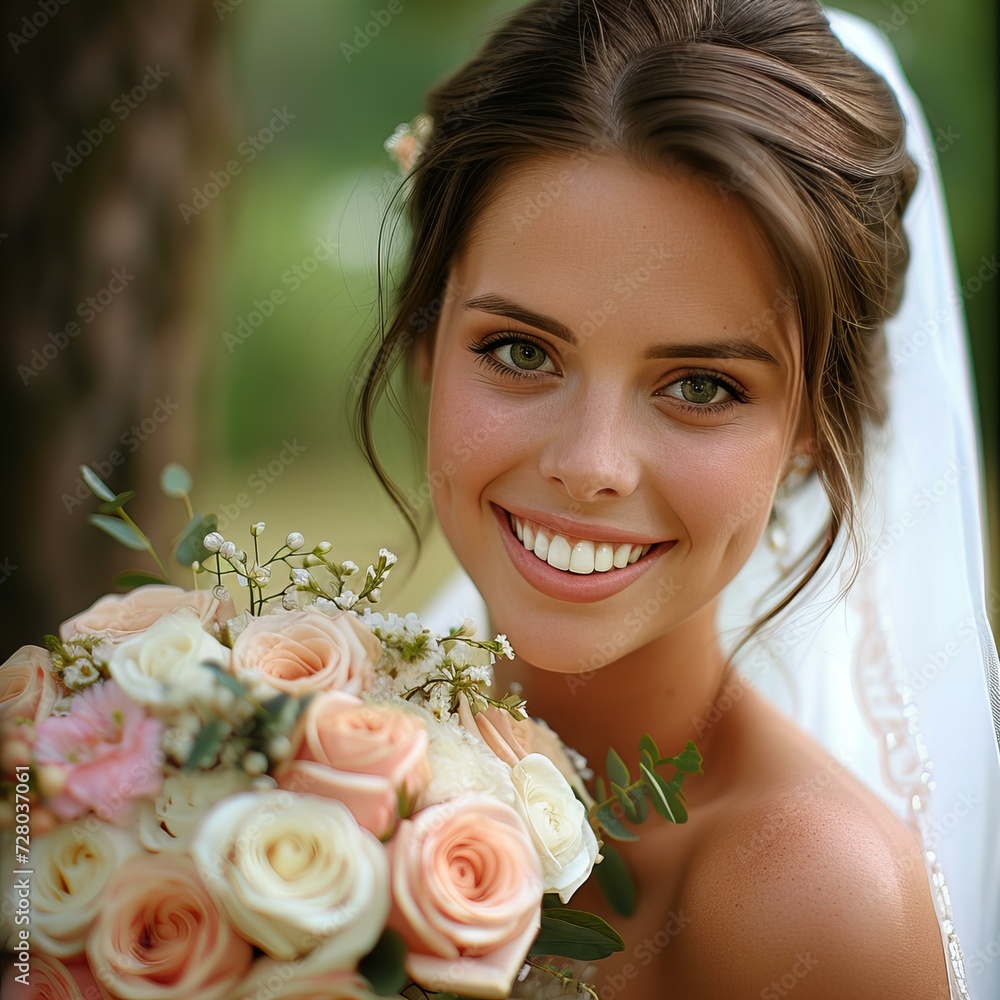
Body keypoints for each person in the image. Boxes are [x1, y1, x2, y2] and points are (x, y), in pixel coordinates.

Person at [357, 2, 1000, 997]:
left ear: (809, 432)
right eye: (521, 352)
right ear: (425, 342)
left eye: (700, 385)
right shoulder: (266, 749)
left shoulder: (812, 904)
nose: (591, 463)